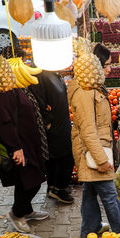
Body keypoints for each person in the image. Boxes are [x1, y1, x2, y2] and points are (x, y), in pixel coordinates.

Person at [68, 44, 120, 238]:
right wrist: (100, 159)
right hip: (93, 152)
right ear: (95, 66)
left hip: (97, 149)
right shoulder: (84, 93)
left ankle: (89, 230)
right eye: (106, 65)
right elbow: (88, 130)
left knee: (91, 192)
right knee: (109, 195)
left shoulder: (93, 87)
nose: (110, 69)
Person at [0, 80, 48, 234]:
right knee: (32, 180)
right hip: (18, 144)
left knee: (27, 179)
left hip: (28, 142)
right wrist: (15, 147)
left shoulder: (14, 84)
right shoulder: (1, 88)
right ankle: (17, 213)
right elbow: (3, 122)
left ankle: (27, 210)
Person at [27, 63, 75, 205]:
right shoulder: (40, 74)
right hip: (54, 124)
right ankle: (58, 188)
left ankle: (54, 187)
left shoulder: (53, 72)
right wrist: (48, 121)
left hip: (61, 120)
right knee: (64, 156)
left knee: (57, 156)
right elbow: (37, 100)